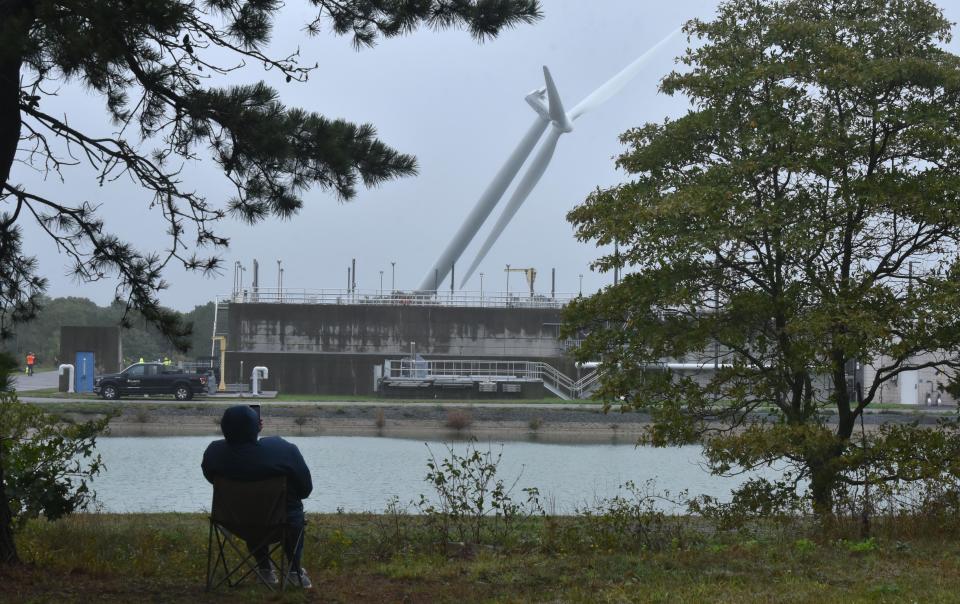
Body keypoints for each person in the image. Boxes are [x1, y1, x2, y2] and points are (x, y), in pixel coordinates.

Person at [201, 405, 313, 588]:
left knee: (251, 510)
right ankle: (294, 571)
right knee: (291, 508)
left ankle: (265, 569)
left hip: (235, 523)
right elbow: (305, 490)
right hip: (280, 525)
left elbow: (210, 478)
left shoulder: (214, 452)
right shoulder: (283, 450)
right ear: (258, 426)